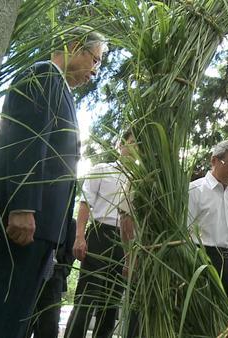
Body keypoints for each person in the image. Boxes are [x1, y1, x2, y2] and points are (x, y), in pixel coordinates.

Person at [0, 26, 107, 338]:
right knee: (5, 311)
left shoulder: (62, 90)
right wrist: (22, 206)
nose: (95, 72)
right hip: (25, 223)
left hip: (42, 230)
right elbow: (27, 140)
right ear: (73, 45)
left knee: (19, 315)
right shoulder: (44, 75)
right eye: (95, 61)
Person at [64, 131, 134, 338]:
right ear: (120, 145)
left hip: (126, 243)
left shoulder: (141, 181)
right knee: (87, 297)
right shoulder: (102, 170)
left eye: (140, 145)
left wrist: (132, 256)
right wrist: (79, 236)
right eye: (132, 143)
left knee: (111, 304)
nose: (135, 148)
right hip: (99, 235)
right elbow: (85, 203)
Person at [187, 140, 228, 309]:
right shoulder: (194, 191)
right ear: (213, 160)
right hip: (202, 263)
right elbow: (183, 235)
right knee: (202, 319)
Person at [27, 218, 77, 338]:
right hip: (30, 276)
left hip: (54, 280)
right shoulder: (35, 216)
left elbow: (70, 253)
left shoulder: (70, 223)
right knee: (25, 323)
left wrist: (62, 271)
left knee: (50, 325)